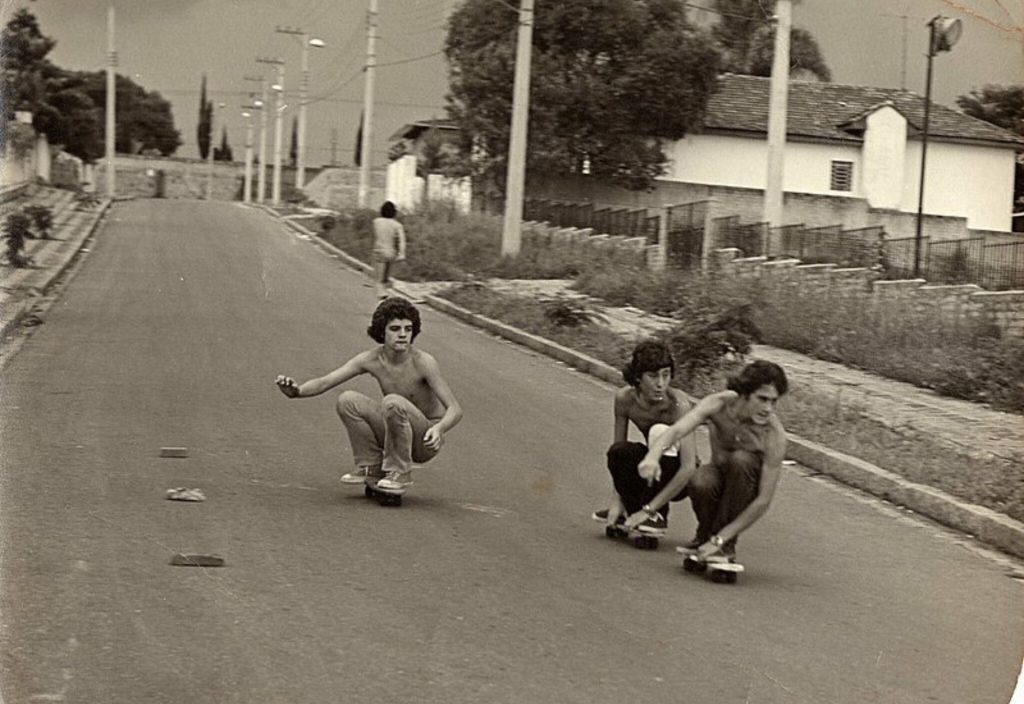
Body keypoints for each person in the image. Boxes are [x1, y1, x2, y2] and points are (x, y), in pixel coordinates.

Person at [275, 297, 462, 493]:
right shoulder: (372, 359)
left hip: (425, 439)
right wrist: (297, 392)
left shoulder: (424, 362)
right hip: (395, 431)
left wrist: (440, 429)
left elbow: (455, 409)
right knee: (347, 400)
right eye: (395, 329)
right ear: (382, 331)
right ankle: (371, 465)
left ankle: (401, 472)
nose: (403, 335)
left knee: (392, 401)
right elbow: (325, 381)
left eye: (408, 329)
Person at [623, 360, 788, 562]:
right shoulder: (719, 405)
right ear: (744, 393)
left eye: (773, 401)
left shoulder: (773, 435)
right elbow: (678, 429)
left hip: (747, 490)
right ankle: (704, 538)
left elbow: (763, 501)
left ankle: (724, 545)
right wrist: (652, 456)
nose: (768, 409)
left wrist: (721, 539)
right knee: (700, 479)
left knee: (741, 459)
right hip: (717, 476)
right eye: (762, 399)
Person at [592, 340, 698, 538]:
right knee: (619, 452)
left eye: (666, 375)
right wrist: (617, 502)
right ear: (638, 377)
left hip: (678, 475)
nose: (660, 384)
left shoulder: (678, 405)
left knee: (659, 431)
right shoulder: (624, 399)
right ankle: (629, 512)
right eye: (653, 376)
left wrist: (648, 510)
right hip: (649, 466)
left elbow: (689, 467)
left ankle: (655, 514)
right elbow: (618, 453)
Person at [372, 201, 406, 299]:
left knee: (378, 280)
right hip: (391, 253)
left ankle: (382, 297)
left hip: (379, 252)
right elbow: (401, 241)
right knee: (386, 278)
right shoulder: (397, 225)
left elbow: (374, 236)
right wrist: (402, 254)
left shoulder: (376, 222)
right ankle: (386, 291)